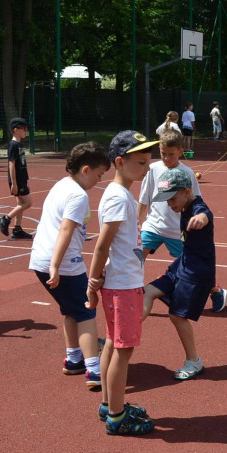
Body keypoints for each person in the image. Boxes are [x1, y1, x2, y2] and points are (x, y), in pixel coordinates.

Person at [86, 130, 160, 436]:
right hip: (122, 285)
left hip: (122, 282)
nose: (147, 167)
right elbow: (102, 245)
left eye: (148, 161)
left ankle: (109, 403)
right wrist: (92, 282)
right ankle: (117, 416)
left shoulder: (121, 195)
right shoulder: (118, 198)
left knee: (113, 344)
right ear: (120, 161)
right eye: (141, 162)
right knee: (123, 350)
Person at [29, 142, 110, 388]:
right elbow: (64, 229)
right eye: (99, 175)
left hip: (41, 260)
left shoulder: (61, 185)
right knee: (86, 311)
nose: (99, 180)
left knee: (70, 310)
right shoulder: (78, 195)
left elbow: (59, 225)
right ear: (86, 170)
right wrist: (56, 265)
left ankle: (74, 359)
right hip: (63, 263)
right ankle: (94, 370)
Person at [141, 167, 219, 380]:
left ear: (186, 191)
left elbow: (205, 214)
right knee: (147, 291)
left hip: (196, 273)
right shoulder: (183, 205)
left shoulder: (197, 208)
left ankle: (194, 362)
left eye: (172, 198)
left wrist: (201, 219)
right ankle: (119, 337)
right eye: (165, 200)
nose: (169, 204)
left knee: (177, 316)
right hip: (182, 265)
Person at [138, 130, 227, 309]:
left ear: (180, 151)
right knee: (137, 257)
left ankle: (215, 290)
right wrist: (137, 224)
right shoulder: (153, 169)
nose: (166, 158)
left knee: (193, 268)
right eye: (163, 153)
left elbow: (196, 200)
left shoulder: (187, 173)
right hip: (153, 225)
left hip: (177, 231)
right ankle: (134, 291)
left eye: (171, 154)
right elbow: (144, 199)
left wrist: (198, 220)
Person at [0, 117, 33, 239]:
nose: (26, 131)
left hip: (22, 178)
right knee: (28, 203)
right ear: (16, 130)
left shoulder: (19, 144)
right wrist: (14, 183)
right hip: (17, 179)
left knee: (20, 203)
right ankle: (5, 219)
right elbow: (11, 164)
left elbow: (21, 163)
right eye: (24, 129)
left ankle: (17, 229)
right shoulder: (13, 145)